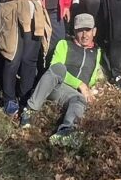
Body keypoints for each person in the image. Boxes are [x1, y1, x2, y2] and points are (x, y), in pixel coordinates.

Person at [18, 13, 104, 145]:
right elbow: (55, 69)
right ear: (74, 31)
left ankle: (66, 132)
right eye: (80, 30)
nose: (84, 35)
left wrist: (95, 88)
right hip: (56, 86)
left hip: (73, 94)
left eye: (88, 30)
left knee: (79, 100)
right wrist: (80, 84)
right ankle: (29, 111)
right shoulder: (64, 44)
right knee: (59, 68)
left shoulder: (97, 52)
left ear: (95, 31)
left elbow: (93, 78)